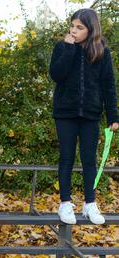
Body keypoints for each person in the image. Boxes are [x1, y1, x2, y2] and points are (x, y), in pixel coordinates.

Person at [49, 8, 118, 225]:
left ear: (91, 29)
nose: (74, 30)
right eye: (72, 26)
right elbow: (56, 74)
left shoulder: (101, 52)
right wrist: (68, 48)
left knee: (89, 159)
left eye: (80, 27)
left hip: (90, 114)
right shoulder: (62, 47)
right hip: (65, 113)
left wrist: (113, 115)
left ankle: (90, 204)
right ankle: (65, 204)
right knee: (67, 158)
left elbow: (108, 85)